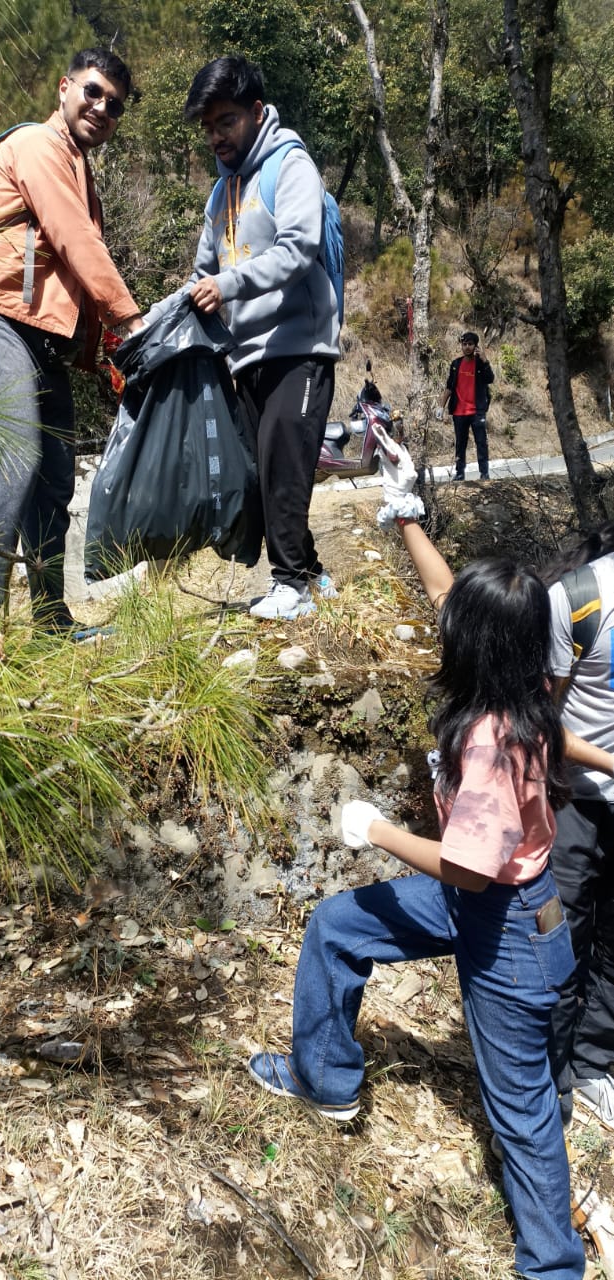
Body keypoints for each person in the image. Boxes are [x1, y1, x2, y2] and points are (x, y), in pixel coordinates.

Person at [247, 427, 613, 1280]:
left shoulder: (489, 739)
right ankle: (325, 1076)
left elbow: (466, 866)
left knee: (520, 1115)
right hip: (508, 913)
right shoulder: (520, 690)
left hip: (504, 926)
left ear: (475, 645)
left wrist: (371, 830)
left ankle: (552, 1266)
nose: (441, 625)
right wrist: (406, 512)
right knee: (338, 925)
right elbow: (455, 599)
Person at [0, 48, 144, 640]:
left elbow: (68, 277)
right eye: (93, 92)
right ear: (64, 88)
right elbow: (74, 240)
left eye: (114, 105)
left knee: (55, 475)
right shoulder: (38, 145)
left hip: (39, 341)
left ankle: (53, 623)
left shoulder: (81, 170)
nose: (102, 108)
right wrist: (130, 322)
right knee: (15, 461)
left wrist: (99, 352)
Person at [182, 54, 340, 620]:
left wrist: (229, 284)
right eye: (208, 127)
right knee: (263, 469)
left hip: (300, 346)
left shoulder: (290, 166)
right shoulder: (220, 195)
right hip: (245, 355)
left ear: (255, 111)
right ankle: (315, 576)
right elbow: (204, 273)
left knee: (283, 462)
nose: (216, 137)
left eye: (225, 122)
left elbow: (298, 248)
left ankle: (291, 583)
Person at [541, 524, 614, 1131]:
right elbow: (540, 720)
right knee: (564, 940)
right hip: (577, 797)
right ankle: (549, 1082)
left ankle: (593, 1069)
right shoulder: (581, 596)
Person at [436, 331, 494, 481]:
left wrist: (485, 360)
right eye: (464, 344)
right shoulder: (456, 364)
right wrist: (441, 406)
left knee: (481, 442)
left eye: (470, 344)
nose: (467, 347)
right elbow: (449, 387)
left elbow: (490, 379)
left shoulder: (480, 363)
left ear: (475, 346)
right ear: (461, 346)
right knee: (460, 444)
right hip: (459, 412)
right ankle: (460, 472)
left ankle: (484, 473)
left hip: (477, 411)